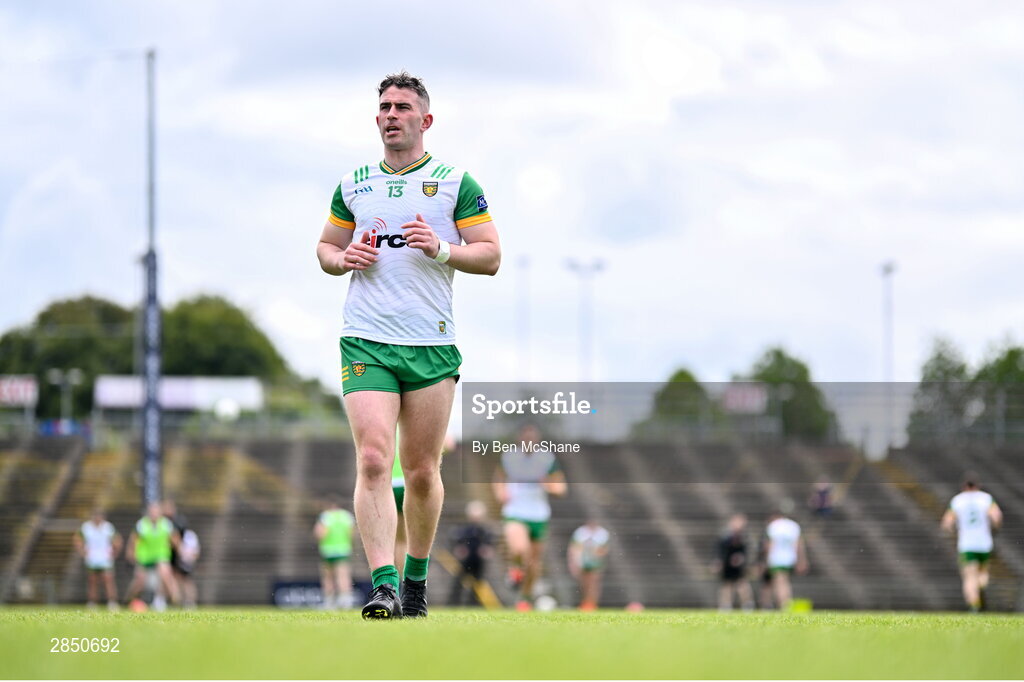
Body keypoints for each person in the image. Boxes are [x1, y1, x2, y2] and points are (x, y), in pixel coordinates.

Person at [316, 71, 501, 619]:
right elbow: (326, 248)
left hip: (430, 345)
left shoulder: (455, 182)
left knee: (421, 472)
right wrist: (343, 259)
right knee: (374, 458)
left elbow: (489, 255)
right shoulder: (353, 184)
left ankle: (415, 582)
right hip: (366, 340)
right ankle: (382, 584)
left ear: (425, 119)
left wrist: (441, 248)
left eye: (402, 106)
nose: (391, 114)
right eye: (384, 106)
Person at [492, 423, 567, 611]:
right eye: (525, 438)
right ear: (520, 439)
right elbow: (498, 479)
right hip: (515, 511)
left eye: (532, 438)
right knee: (519, 548)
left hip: (538, 514)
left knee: (534, 564)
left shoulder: (546, 459)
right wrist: (500, 492)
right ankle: (515, 571)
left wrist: (548, 484)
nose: (528, 441)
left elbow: (561, 488)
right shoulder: (510, 457)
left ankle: (524, 599)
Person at [941, 472, 1003, 612]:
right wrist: (996, 528)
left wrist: (952, 532)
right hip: (984, 543)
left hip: (967, 544)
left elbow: (947, 522)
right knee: (983, 574)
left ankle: (974, 605)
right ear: (978, 486)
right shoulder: (986, 498)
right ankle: (980, 587)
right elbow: (997, 516)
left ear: (964, 486)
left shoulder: (958, 500)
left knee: (969, 576)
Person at [123, 502, 181, 610]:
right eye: (152, 512)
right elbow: (133, 540)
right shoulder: (142, 524)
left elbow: (175, 538)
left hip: (161, 554)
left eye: (156, 512)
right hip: (144, 556)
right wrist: (131, 553)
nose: (154, 514)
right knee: (139, 582)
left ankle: (176, 600)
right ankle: (129, 600)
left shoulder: (165, 524)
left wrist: (178, 549)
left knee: (166, 574)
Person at [447, 500, 495, 607]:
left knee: (478, 584)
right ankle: (453, 603)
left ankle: (474, 604)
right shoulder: (465, 529)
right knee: (458, 583)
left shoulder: (485, 531)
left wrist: (486, 550)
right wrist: (460, 549)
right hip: (466, 561)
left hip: (478, 561)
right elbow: (457, 542)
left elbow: (490, 546)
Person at [74, 509, 122, 610]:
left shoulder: (107, 527)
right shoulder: (86, 527)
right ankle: (92, 602)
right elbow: (77, 539)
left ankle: (112, 602)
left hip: (105, 558)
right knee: (92, 581)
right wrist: (82, 551)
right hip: (92, 558)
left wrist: (115, 552)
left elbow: (117, 540)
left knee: (108, 579)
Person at [314, 498, 355, 609]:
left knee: (328, 577)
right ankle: (345, 600)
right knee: (343, 575)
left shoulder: (326, 517)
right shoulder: (346, 516)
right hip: (343, 550)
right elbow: (351, 533)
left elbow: (320, 533)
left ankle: (329, 601)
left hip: (328, 550)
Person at [764, 510, 808, 610]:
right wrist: (802, 560)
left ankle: (782, 605)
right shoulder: (793, 526)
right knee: (786, 581)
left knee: (779, 581)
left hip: (776, 558)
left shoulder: (773, 526)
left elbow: (770, 544)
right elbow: (798, 544)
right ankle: (787, 603)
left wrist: (767, 559)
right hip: (790, 557)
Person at [710, 514, 754, 611]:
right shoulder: (726, 535)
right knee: (726, 585)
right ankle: (725, 605)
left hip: (739, 565)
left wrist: (742, 559)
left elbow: (747, 550)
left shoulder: (744, 536)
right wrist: (718, 561)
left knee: (742, 584)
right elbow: (719, 549)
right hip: (727, 563)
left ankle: (747, 604)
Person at [568, 518, 610, 611]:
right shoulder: (581, 532)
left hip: (595, 561)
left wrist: (595, 554)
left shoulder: (602, 533)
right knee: (585, 583)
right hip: (583, 561)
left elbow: (604, 549)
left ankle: (592, 603)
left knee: (593, 582)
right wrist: (575, 562)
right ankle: (586, 602)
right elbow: (574, 547)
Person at [163, 499, 196, 608]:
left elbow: (177, 538)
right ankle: (175, 599)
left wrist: (182, 553)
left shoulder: (178, 521)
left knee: (185, 579)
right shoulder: (163, 522)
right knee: (171, 578)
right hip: (170, 555)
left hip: (179, 555)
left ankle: (188, 602)